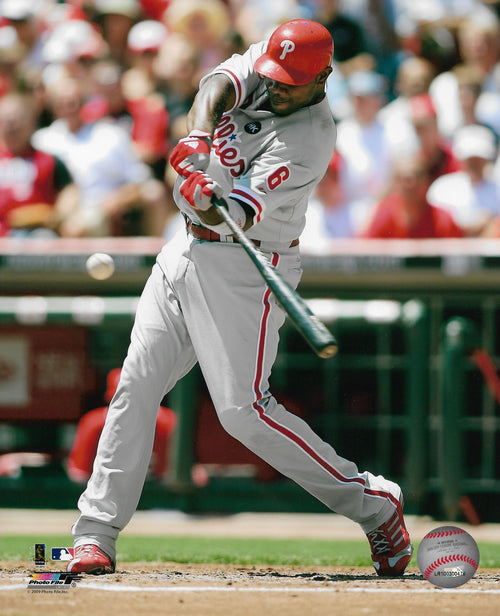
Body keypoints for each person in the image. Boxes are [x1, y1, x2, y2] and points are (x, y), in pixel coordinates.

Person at [65, 19, 413, 578]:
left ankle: (374, 503)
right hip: (184, 250)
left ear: (321, 79)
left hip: (245, 263)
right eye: (272, 76)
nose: (274, 88)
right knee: (135, 384)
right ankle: (95, 534)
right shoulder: (275, 65)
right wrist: (197, 141)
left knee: (243, 413)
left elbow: (232, 215)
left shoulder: (308, 138)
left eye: (288, 84)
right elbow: (214, 89)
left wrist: (205, 193)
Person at [32, 76, 169, 237]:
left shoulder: (111, 134)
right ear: (52, 106)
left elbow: (140, 178)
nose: (71, 107)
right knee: (76, 224)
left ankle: (155, 257)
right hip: (63, 210)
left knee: (155, 192)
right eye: (63, 103)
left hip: (107, 205)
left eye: (75, 101)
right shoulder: (42, 141)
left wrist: (118, 198)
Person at [67, 368, 177, 483]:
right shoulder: (94, 424)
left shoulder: (165, 423)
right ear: (109, 401)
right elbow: (80, 476)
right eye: (121, 401)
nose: (128, 408)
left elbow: (167, 477)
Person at [0, 92, 79, 237]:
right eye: (6, 120)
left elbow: (69, 192)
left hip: (35, 232)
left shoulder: (48, 160)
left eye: (16, 119)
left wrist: (57, 216)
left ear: (31, 122)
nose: (11, 125)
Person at [360, 153, 464, 238]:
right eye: (403, 179)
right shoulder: (383, 212)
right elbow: (366, 251)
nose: (409, 184)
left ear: (425, 181)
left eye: (416, 177)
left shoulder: (443, 220)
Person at [427, 123, 500, 236]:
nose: (474, 163)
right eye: (470, 158)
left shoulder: (497, 188)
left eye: (479, 158)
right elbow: (434, 224)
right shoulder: (442, 188)